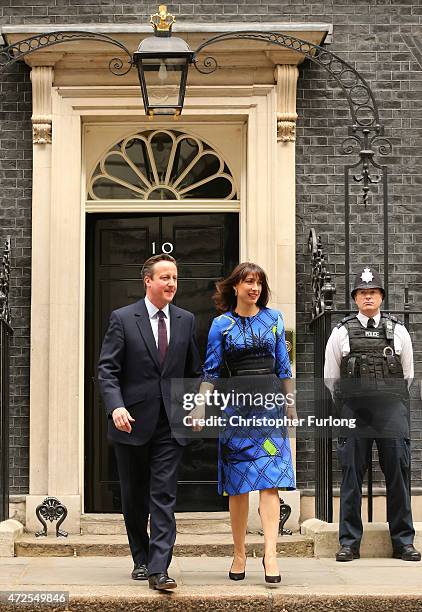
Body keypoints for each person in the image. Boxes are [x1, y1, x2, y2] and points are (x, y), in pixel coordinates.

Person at [98, 253, 201, 590]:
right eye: (165, 277)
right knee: (134, 496)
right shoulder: (123, 318)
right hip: (130, 421)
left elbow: (194, 372)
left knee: (163, 494)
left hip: (170, 423)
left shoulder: (186, 320)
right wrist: (116, 407)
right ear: (148, 281)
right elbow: (107, 370)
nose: (172, 283)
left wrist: (195, 406)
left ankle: (159, 568)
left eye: (174, 277)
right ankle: (140, 558)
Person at [201, 262, 296, 584]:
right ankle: (239, 552)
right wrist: (199, 407)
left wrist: (291, 405)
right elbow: (211, 372)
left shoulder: (274, 319)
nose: (254, 287)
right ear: (235, 287)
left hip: (269, 409)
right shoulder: (221, 324)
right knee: (238, 486)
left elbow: (284, 366)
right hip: (237, 412)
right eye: (248, 282)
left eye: (258, 282)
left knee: (270, 481)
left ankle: (271, 554)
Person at [324, 265, 421, 562]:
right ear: (355, 298)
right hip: (355, 409)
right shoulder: (341, 332)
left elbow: (408, 374)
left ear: (381, 297)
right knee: (352, 475)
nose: (368, 297)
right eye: (363, 293)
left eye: (373, 292)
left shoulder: (398, 330)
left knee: (398, 475)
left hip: (391, 409)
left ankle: (403, 542)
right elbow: (331, 378)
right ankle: (349, 543)